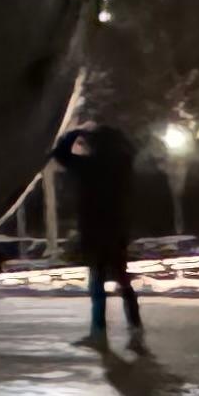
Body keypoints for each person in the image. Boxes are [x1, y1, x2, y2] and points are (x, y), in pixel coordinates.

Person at [49, 116, 146, 351]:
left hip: (94, 229)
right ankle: (135, 325)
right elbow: (131, 147)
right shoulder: (124, 164)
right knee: (122, 279)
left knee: (97, 282)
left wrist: (77, 132)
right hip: (118, 228)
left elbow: (60, 154)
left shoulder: (89, 166)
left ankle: (99, 329)